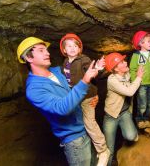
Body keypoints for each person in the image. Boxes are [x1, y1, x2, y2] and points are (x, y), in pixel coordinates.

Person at [17, 37, 98, 166]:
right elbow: (62, 108)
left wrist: (92, 94)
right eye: (41, 50)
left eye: (47, 50)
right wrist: (85, 81)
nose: (47, 53)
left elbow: (76, 82)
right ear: (29, 57)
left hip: (87, 128)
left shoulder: (58, 71)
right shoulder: (34, 89)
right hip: (74, 139)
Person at [59, 33, 110, 166]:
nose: (72, 48)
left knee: (89, 122)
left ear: (79, 48)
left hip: (87, 97)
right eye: (69, 46)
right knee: (79, 122)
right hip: (76, 98)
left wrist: (98, 68)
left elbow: (92, 71)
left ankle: (103, 150)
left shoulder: (84, 59)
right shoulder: (65, 62)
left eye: (75, 46)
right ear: (64, 50)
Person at [103, 53, 144, 166]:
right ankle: (110, 163)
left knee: (131, 136)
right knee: (109, 148)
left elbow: (131, 76)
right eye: (121, 62)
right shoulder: (112, 80)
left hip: (125, 113)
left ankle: (127, 134)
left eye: (124, 60)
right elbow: (130, 91)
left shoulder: (126, 74)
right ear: (115, 69)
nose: (126, 62)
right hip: (111, 116)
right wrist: (139, 77)